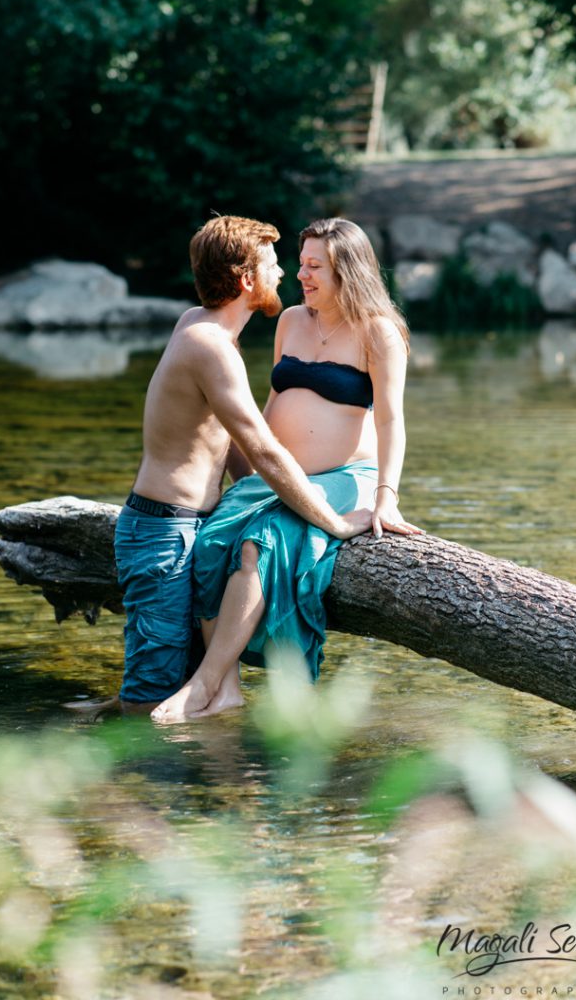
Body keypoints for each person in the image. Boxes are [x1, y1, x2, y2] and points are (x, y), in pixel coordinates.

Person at [67, 215, 371, 716]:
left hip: (182, 526)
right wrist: (332, 521)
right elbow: (264, 448)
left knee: (169, 674)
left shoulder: (201, 326)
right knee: (152, 697)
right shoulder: (209, 346)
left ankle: (126, 731)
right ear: (247, 280)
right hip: (164, 533)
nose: (285, 275)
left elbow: (226, 437)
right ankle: (129, 783)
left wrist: (257, 501)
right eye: (273, 265)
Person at [150, 217, 423, 723]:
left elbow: (391, 419)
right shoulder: (292, 321)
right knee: (210, 542)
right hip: (278, 478)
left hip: (345, 477)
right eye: (301, 264)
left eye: (316, 266)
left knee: (261, 543)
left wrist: (387, 496)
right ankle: (227, 690)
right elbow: (272, 403)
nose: (303, 275)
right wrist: (248, 483)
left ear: (349, 270)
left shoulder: (379, 332)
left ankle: (201, 685)